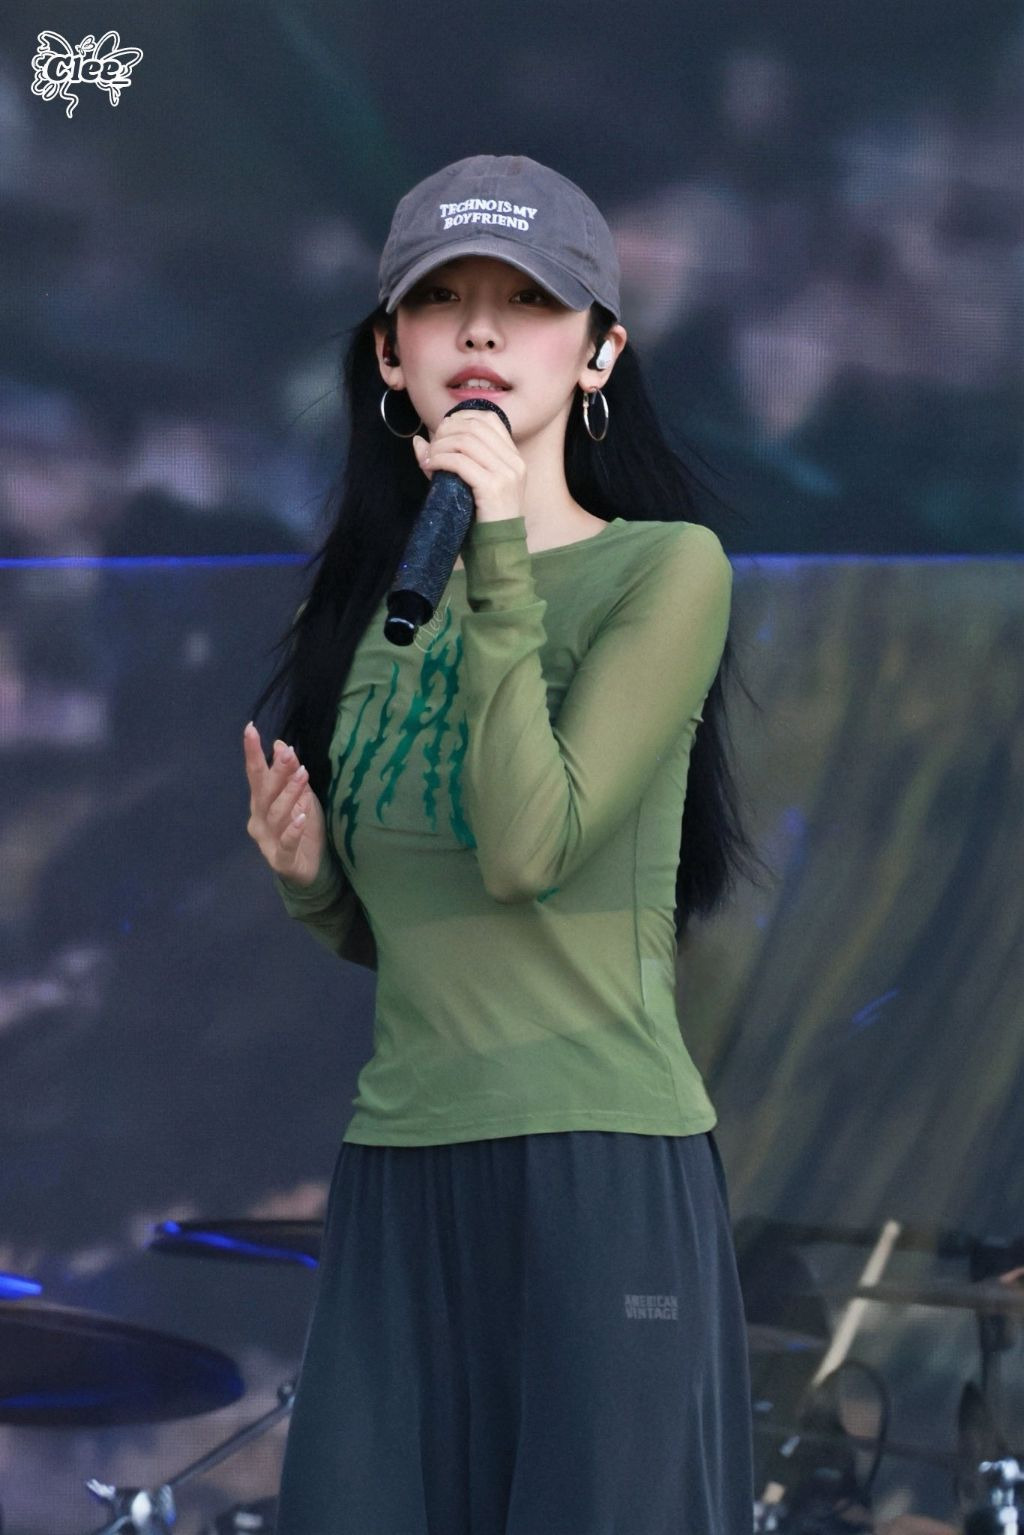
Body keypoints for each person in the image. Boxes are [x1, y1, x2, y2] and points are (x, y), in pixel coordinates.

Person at [243, 153, 766, 1535]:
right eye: (441, 301)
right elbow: (423, 934)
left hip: (596, 1163)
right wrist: (312, 885)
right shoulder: (370, 611)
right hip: (401, 1159)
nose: (479, 331)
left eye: (529, 301)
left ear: (600, 353)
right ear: (389, 354)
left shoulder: (668, 570)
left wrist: (496, 555)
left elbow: (532, 850)